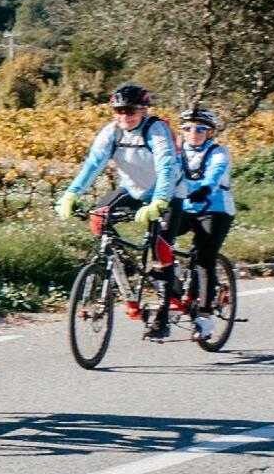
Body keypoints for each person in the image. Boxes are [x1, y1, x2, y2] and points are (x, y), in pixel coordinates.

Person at [57, 83, 187, 341]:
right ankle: (123, 268)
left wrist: (159, 201)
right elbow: (93, 164)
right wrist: (72, 193)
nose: (124, 116)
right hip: (133, 190)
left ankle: (162, 315)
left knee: (160, 245)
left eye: (131, 111)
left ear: (143, 110)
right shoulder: (112, 132)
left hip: (169, 193)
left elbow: (166, 167)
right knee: (98, 218)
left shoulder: (156, 129)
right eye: (119, 111)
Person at [161, 107, 236, 349]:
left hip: (215, 208)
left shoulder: (218, 152)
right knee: (158, 240)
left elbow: (215, 174)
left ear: (209, 132)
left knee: (204, 258)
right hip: (184, 206)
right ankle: (171, 282)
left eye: (200, 129)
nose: (193, 133)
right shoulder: (176, 153)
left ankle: (204, 316)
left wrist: (203, 188)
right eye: (188, 128)